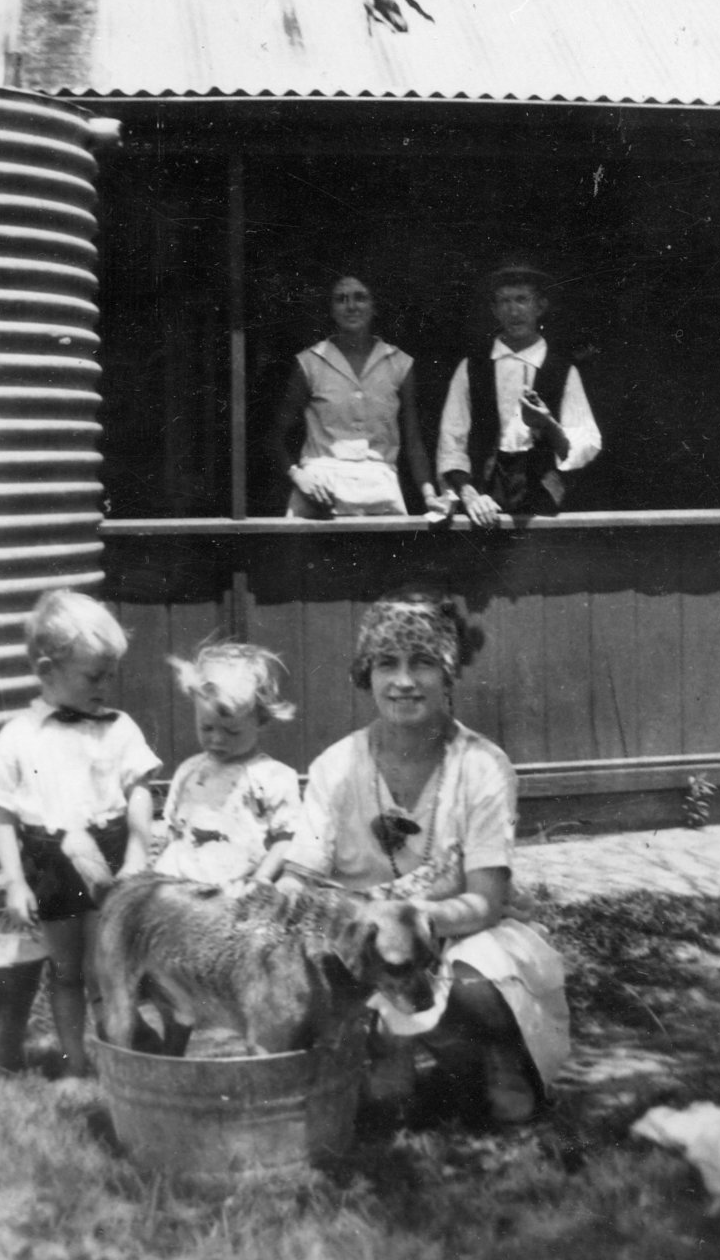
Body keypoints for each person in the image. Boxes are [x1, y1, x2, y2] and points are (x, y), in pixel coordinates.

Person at [281, 590, 570, 1125]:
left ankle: (501, 1059)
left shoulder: (482, 765)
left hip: (459, 932)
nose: (404, 681)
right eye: (386, 664)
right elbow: (300, 877)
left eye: (422, 664)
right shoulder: (334, 767)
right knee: (375, 1099)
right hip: (363, 942)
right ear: (366, 674)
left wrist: (408, 919)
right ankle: (385, 1054)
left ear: (449, 673)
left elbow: (485, 901)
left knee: (477, 986)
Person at [0, 588, 161, 1081]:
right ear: (47, 671)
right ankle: (74, 1064)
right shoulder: (18, 737)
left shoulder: (119, 728)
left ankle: (122, 1057)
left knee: (107, 965)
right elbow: (1, 815)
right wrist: (15, 882)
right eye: (93, 676)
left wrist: (138, 850)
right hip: (50, 859)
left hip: (109, 851)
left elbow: (140, 790)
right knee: (65, 971)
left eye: (110, 675)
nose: (105, 687)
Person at [436, 259, 601, 527]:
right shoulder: (473, 368)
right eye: (504, 301)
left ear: (540, 306)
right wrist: (470, 495)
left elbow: (585, 443)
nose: (514, 311)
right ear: (494, 310)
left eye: (522, 299)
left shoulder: (562, 371)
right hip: (484, 499)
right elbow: (451, 440)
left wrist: (548, 425)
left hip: (544, 497)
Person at [272, 273, 448, 518]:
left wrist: (429, 495)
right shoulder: (310, 362)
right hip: (319, 488)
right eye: (341, 299)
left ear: (374, 306)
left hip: (380, 489)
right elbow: (276, 436)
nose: (351, 306)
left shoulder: (398, 363)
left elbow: (413, 441)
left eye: (360, 297)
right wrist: (298, 475)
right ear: (331, 309)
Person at [156, 640, 302, 885]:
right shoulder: (189, 771)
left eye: (232, 731)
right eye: (206, 728)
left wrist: (261, 878)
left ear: (261, 720)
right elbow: (174, 832)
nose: (217, 739)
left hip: (239, 886)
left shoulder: (272, 777)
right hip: (185, 886)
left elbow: (287, 839)